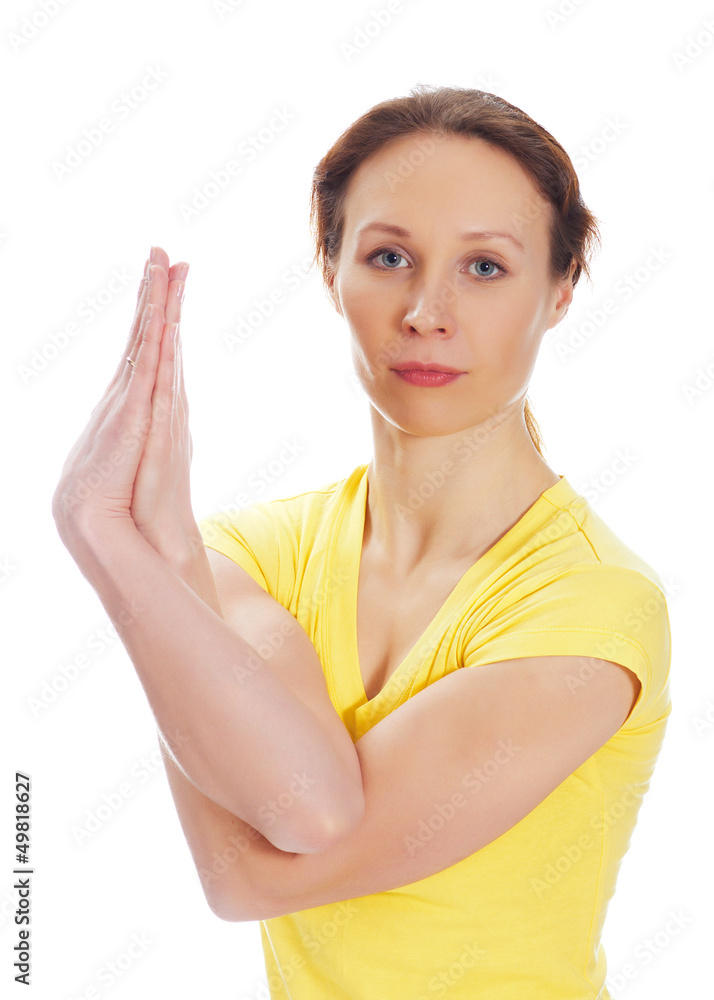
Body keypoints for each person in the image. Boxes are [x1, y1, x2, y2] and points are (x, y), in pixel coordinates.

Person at [52, 84, 672, 999]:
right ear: (332, 269)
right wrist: (166, 562)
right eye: (388, 256)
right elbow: (306, 800)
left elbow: (255, 871)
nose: (427, 310)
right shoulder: (247, 554)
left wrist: (106, 538)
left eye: (486, 268)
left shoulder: (592, 606)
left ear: (562, 290)